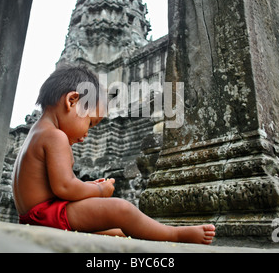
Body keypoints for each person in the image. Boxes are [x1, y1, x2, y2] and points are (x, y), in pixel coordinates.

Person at [12, 64, 216, 244]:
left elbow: (56, 186)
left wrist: (88, 187)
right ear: (72, 101)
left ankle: (142, 231)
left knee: (116, 231)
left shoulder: (36, 133)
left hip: (35, 216)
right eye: (90, 123)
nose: (86, 134)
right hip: (47, 215)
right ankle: (173, 235)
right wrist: (99, 190)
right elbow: (65, 187)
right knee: (120, 209)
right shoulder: (56, 137)